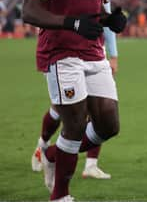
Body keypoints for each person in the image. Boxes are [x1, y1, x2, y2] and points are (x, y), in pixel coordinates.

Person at [22, 0, 127, 202]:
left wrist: (111, 21)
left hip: (92, 52)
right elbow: (28, 10)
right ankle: (59, 197)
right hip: (61, 52)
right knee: (75, 122)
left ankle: (53, 155)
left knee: (109, 125)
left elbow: (101, 7)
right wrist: (71, 23)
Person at [31, 20, 119, 180]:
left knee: (97, 111)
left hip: (93, 52)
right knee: (62, 111)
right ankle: (43, 145)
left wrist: (113, 54)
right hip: (63, 53)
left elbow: (105, 14)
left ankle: (91, 164)